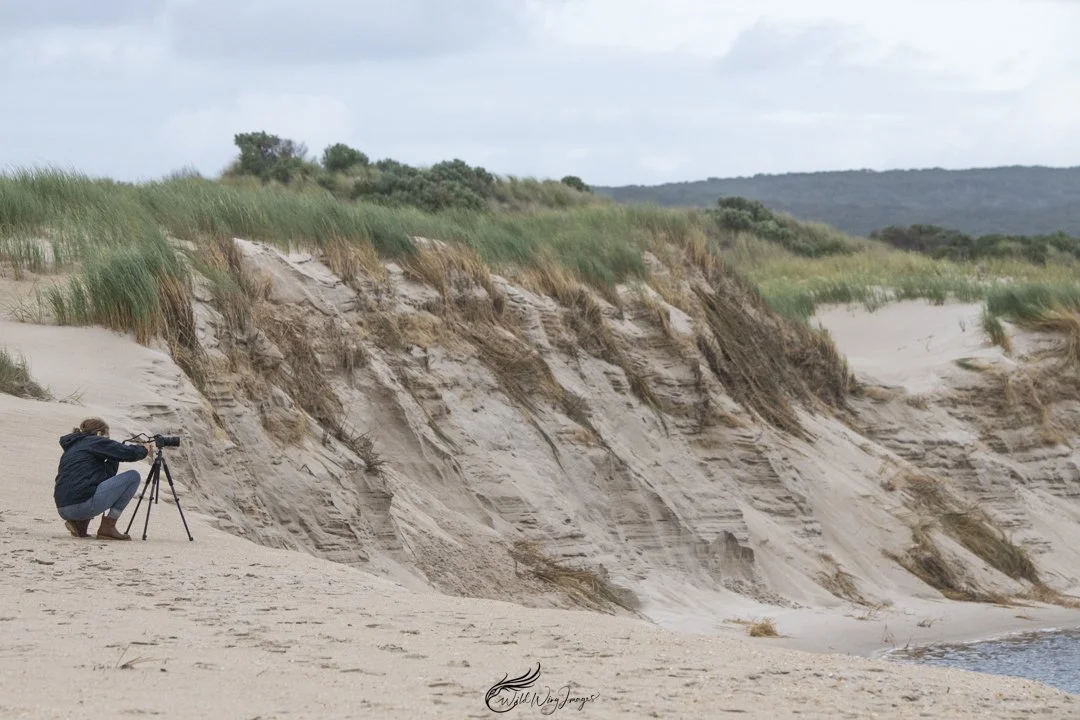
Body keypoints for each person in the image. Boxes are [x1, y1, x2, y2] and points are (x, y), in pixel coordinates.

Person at [54, 418, 156, 540]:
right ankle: (108, 527)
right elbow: (129, 453)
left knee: (86, 486)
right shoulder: (95, 441)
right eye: (106, 435)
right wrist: (144, 449)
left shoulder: (74, 446)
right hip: (81, 506)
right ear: (99, 433)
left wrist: (113, 457)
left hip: (62, 508)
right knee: (133, 476)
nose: (108, 439)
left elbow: (104, 478)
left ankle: (78, 525)